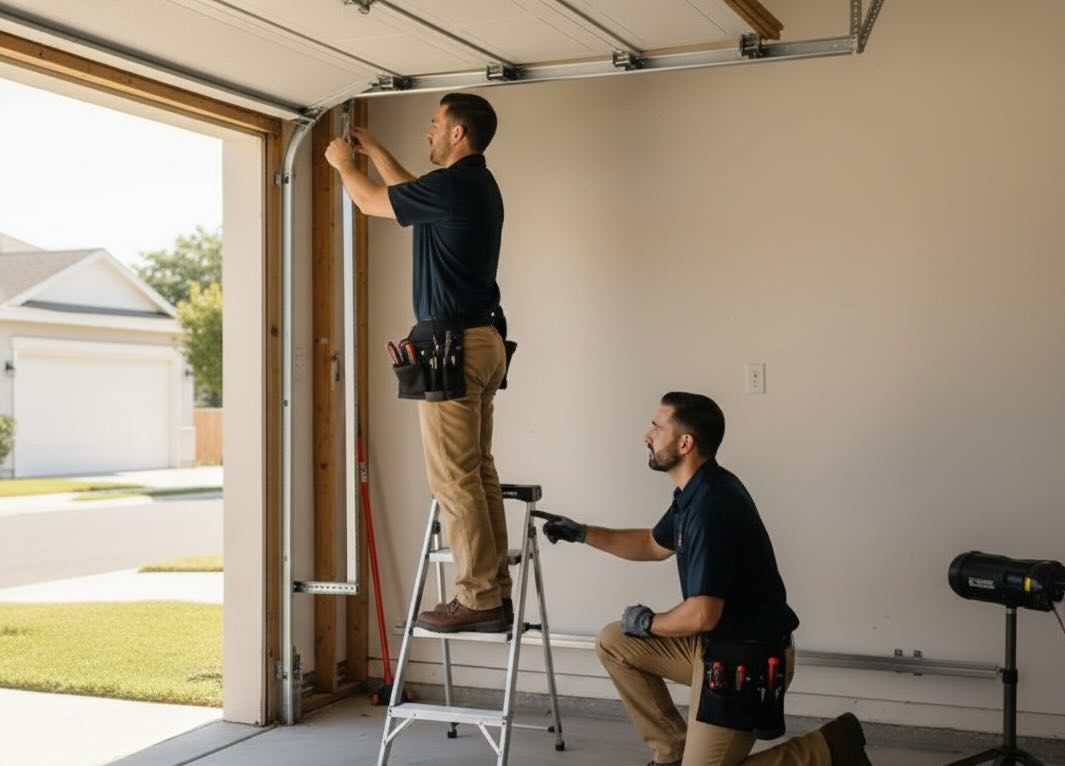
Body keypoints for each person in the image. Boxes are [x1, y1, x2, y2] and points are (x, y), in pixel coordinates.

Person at [532, 392, 872, 766]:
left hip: (748, 660)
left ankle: (828, 749)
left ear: (685, 442)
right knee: (615, 641)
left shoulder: (713, 506)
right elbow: (651, 542)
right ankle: (673, 751)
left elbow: (702, 614)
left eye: (656, 427)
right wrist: (583, 533)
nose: (647, 435)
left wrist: (649, 623)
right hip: (713, 646)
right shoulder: (694, 492)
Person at [325, 92, 512, 633]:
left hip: (453, 348)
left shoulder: (456, 186)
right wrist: (377, 150)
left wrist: (342, 164)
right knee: (478, 472)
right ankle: (494, 589)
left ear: (458, 133)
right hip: (479, 343)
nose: (428, 132)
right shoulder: (472, 184)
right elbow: (408, 192)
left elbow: (369, 202)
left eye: (434, 125)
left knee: (454, 480)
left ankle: (477, 598)